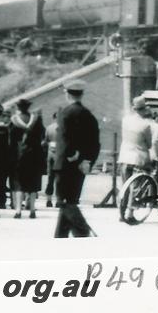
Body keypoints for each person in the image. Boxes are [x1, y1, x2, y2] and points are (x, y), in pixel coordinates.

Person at [54, 80, 100, 238]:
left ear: (67, 94)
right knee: (71, 200)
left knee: (64, 202)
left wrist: (71, 155)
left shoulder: (65, 113)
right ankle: (60, 236)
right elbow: (95, 141)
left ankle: (83, 232)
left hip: (65, 164)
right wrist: (87, 160)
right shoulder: (88, 114)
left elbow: (65, 138)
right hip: (80, 166)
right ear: (82, 94)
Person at [118, 96, 153, 224]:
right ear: (144, 109)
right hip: (138, 158)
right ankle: (130, 213)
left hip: (124, 156)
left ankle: (121, 212)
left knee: (125, 185)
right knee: (136, 187)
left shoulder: (125, 120)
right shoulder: (145, 125)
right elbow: (149, 144)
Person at [8, 98, 46, 219]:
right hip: (34, 154)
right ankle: (32, 210)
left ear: (18, 108)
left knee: (18, 182)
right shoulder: (36, 120)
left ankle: (18, 210)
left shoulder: (14, 121)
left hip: (18, 155)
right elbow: (42, 135)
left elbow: (10, 140)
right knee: (33, 182)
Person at [44, 111, 59, 208]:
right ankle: (58, 200)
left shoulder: (49, 128)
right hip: (60, 154)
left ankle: (48, 200)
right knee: (59, 178)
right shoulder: (64, 128)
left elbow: (46, 141)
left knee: (50, 178)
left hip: (50, 154)